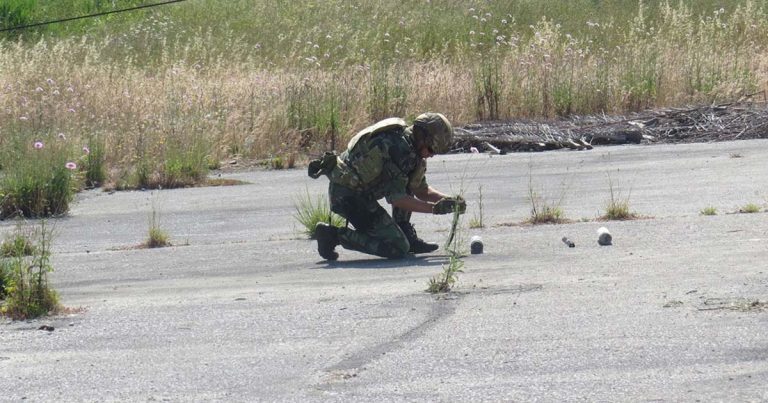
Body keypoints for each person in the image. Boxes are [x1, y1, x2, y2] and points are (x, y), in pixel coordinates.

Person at [308, 112, 466, 261]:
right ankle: (333, 235)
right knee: (398, 247)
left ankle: (404, 230)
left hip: (362, 194)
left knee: (408, 183)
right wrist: (435, 209)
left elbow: (420, 189)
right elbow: (397, 199)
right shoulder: (397, 149)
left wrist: (450, 201)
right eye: (431, 150)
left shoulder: (411, 151)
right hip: (348, 197)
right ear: (421, 137)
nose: (431, 155)